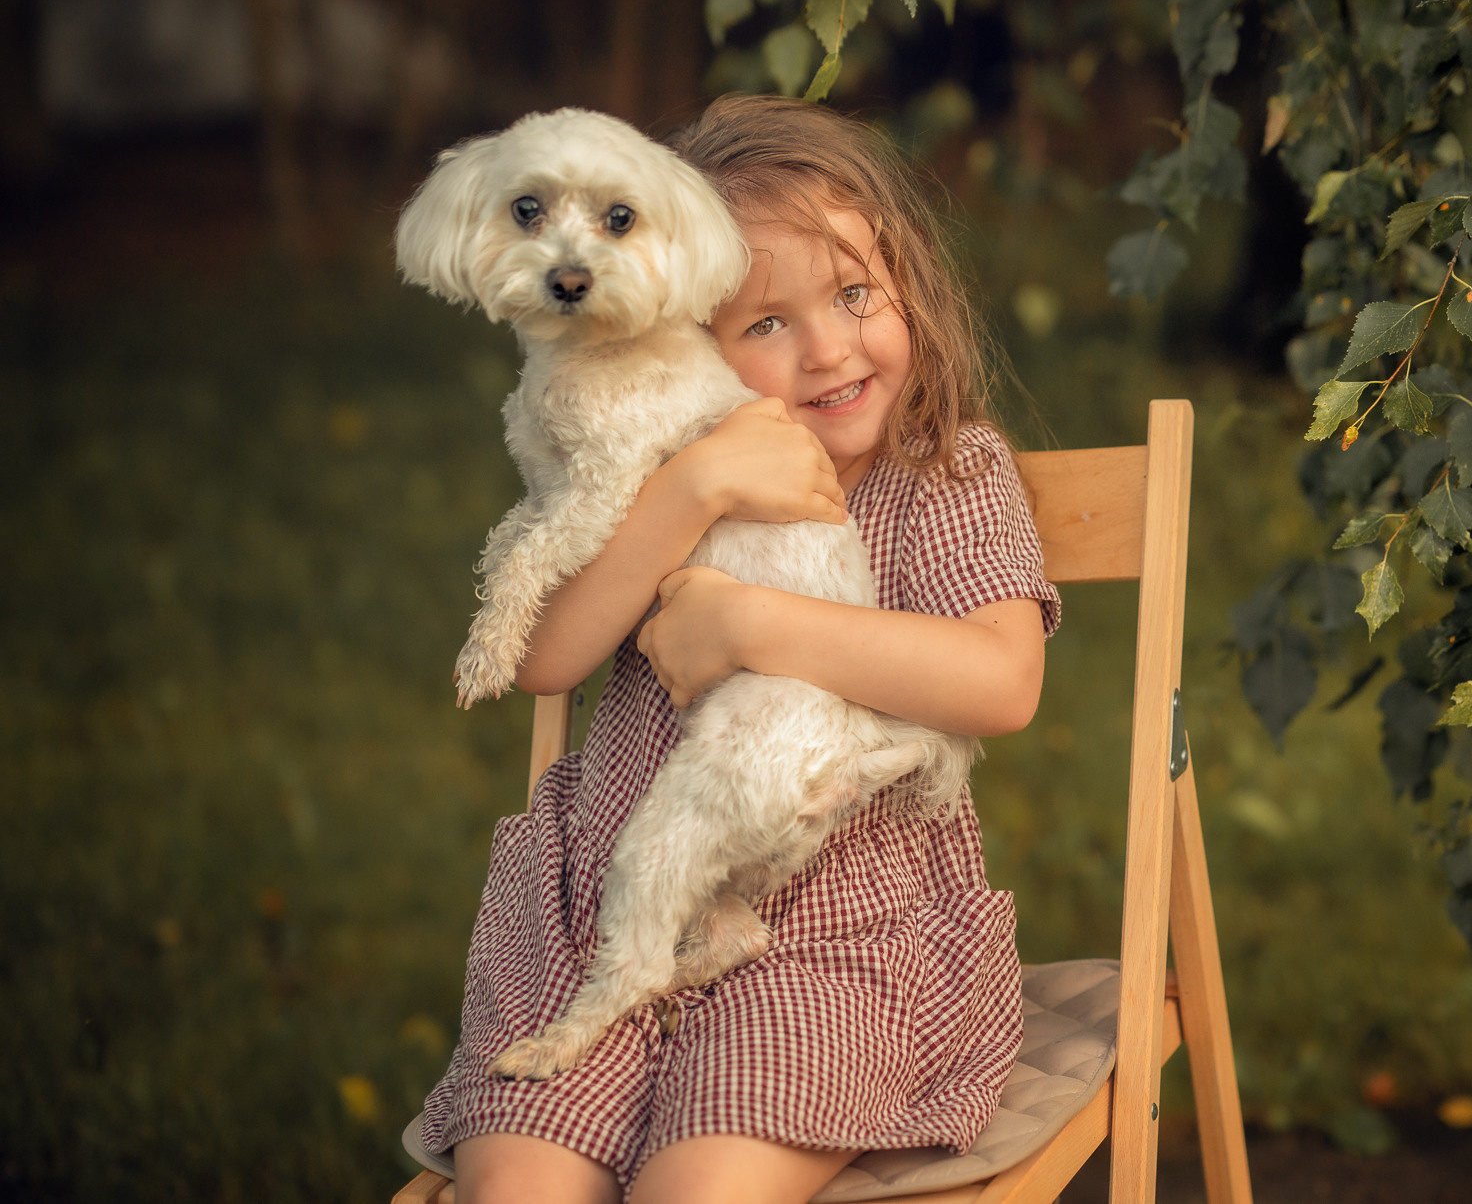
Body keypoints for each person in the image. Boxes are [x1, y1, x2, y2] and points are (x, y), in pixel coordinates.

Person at [416, 94, 1060, 1204]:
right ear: (681, 328)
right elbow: (547, 659)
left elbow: (999, 683)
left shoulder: (945, 474)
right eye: (764, 324)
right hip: (592, 922)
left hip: (841, 947)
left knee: (695, 1192)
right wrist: (698, 486)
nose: (827, 349)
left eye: (854, 295)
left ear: (902, 281)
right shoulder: (659, 468)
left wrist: (748, 623)